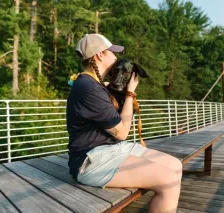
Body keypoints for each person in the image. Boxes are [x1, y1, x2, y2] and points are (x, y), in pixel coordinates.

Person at [66, 33, 182, 213]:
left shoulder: (94, 84)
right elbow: (122, 133)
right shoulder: (88, 88)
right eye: (113, 52)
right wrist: (130, 94)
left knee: (176, 165)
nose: (116, 57)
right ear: (99, 55)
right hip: (92, 159)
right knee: (168, 180)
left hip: (112, 148)